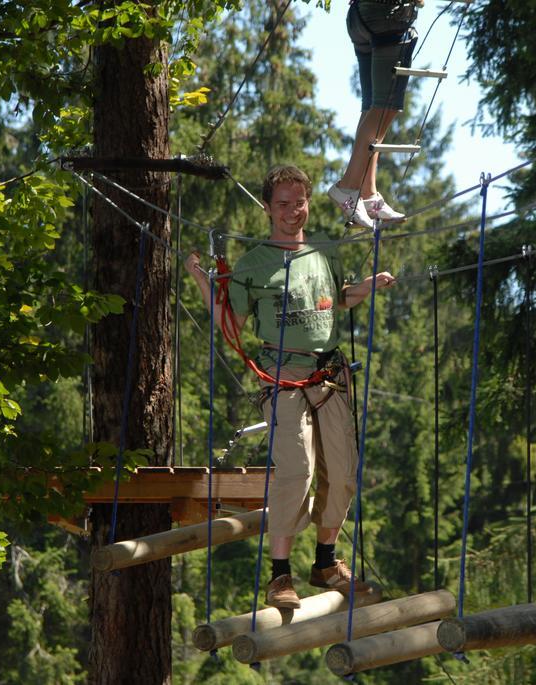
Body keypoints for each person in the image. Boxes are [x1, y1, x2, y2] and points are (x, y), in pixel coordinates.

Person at [186, 165, 397, 609]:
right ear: (267, 209)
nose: (293, 211)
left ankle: (325, 561)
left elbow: (337, 297)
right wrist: (203, 282)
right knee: (297, 470)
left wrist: (368, 287)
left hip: (330, 376)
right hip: (281, 379)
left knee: (341, 473)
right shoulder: (254, 263)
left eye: (299, 202)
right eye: (282, 204)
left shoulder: (323, 249)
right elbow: (231, 325)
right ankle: (280, 575)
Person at [327, 0, 421, 229]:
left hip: (361, 16)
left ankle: (368, 193)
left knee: (371, 107)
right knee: (384, 107)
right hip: (387, 16)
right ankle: (348, 186)